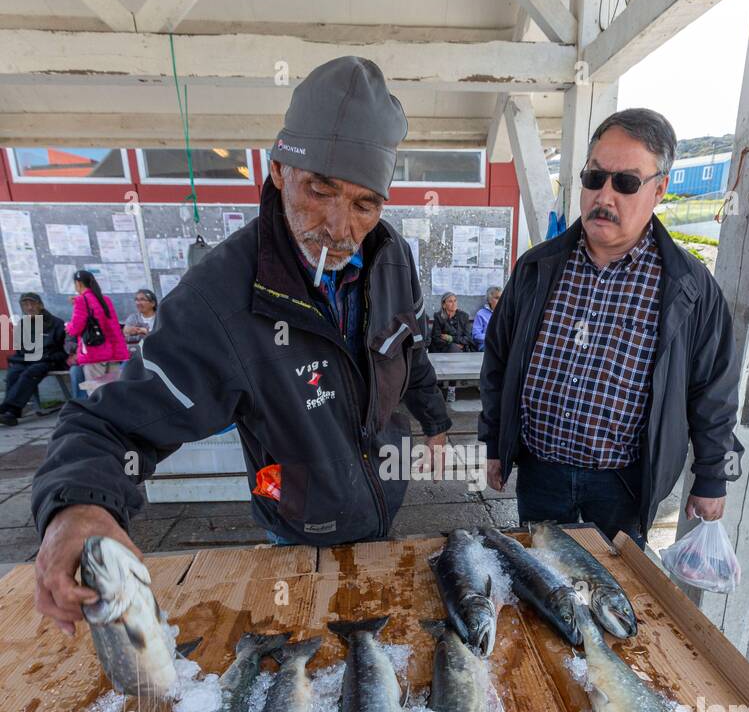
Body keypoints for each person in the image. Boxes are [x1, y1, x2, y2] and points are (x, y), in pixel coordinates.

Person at [32, 56, 451, 634]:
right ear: (279, 169)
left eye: (363, 204)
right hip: (295, 526)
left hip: (387, 501)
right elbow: (110, 425)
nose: (337, 225)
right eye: (320, 189)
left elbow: (411, 347)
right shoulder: (218, 297)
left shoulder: (391, 255)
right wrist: (77, 508)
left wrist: (434, 419)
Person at [479, 107, 743, 547]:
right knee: (543, 584)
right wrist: (493, 444)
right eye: (594, 178)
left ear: (659, 189)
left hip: (621, 484)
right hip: (540, 472)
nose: (605, 196)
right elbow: (498, 360)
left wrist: (712, 476)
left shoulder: (689, 287)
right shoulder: (537, 267)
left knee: (615, 597)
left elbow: (713, 389)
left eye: (625, 183)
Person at [0, 293, 68, 426]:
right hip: (28, 360)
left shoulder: (56, 323)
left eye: (33, 303)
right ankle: (10, 414)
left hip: (49, 360)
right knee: (13, 373)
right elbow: (20, 349)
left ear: (41, 305)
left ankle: (7, 408)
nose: (30, 307)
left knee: (30, 373)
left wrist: (47, 356)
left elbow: (63, 351)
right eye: (25, 305)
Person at [67, 270, 130, 400]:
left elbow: (75, 328)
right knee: (113, 391)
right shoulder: (105, 299)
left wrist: (68, 326)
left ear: (78, 284)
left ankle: (102, 418)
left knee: (95, 393)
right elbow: (113, 327)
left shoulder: (81, 300)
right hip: (112, 352)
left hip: (93, 352)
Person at [471, 286, 502, 352]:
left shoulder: (506, 313)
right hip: (486, 344)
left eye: (502, 298)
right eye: (497, 298)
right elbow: (476, 335)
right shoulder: (481, 314)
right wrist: (492, 338)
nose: (500, 301)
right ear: (489, 300)